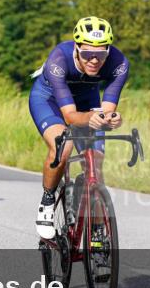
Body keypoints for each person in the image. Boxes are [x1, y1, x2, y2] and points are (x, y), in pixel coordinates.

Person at [29, 16, 129, 238]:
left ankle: (95, 224)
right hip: (50, 101)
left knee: (96, 160)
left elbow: (107, 109)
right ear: (76, 48)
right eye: (87, 54)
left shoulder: (119, 64)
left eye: (101, 54)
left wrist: (111, 119)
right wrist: (91, 118)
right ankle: (47, 202)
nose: (94, 60)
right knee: (62, 147)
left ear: (108, 51)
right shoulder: (59, 59)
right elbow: (70, 116)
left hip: (86, 101)